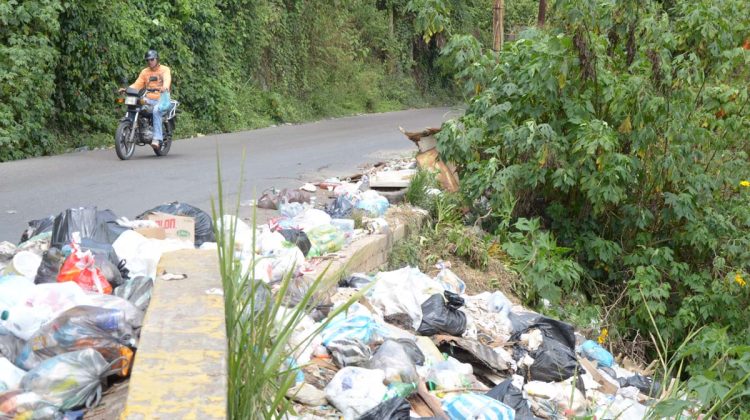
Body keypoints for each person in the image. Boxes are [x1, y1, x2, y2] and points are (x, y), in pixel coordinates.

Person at [119, 50, 171, 149]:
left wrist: (165, 86)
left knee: (156, 110)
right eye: (148, 60)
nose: (150, 62)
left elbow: (167, 78)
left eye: (152, 59)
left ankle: (157, 138)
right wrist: (127, 89)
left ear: (157, 59)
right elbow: (137, 84)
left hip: (161, 99)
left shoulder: (165, 69)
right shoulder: (145, 72)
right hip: (147, 99)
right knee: (135, 104)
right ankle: (131, 129)